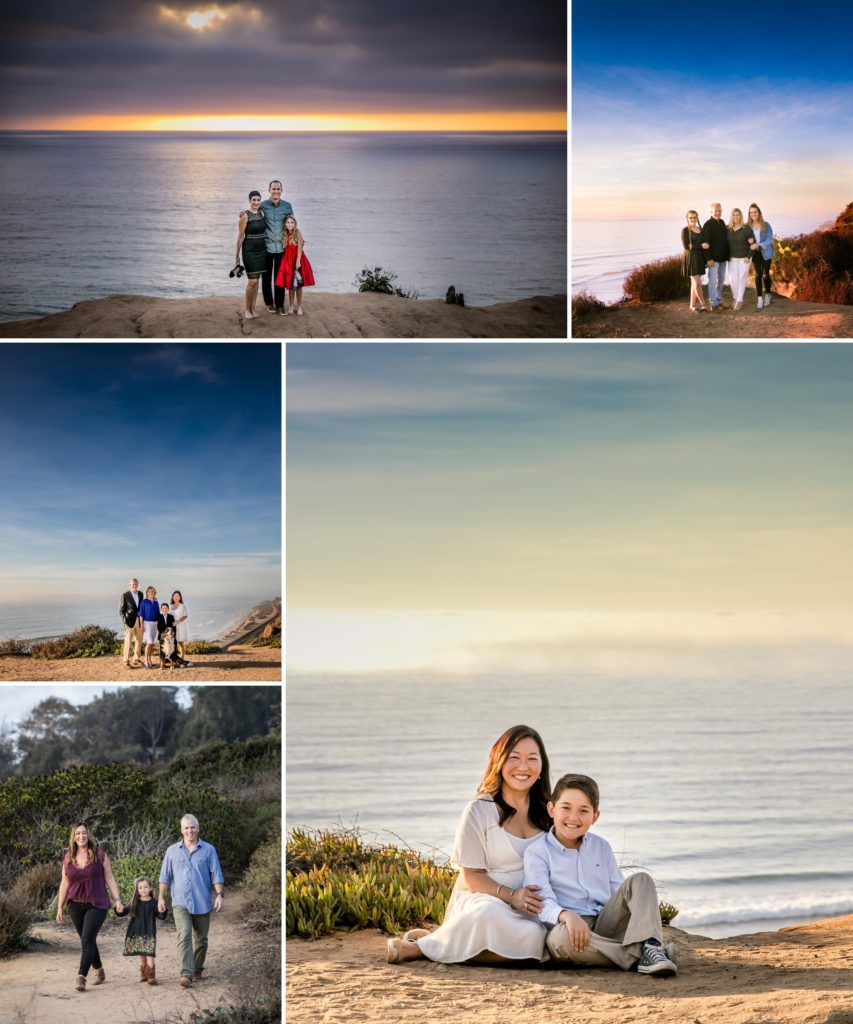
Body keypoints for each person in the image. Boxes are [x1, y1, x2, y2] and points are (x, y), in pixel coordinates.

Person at [387, 725, 551, 965]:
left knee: (536, 935)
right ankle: (422, 948)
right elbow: (471, 877)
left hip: (532, 902)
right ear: (499, 761)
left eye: (532, 759)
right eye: (514, 758)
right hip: (486, 897)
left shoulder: (549, 810)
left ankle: (445, 940)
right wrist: (513, 896)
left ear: (542, 766)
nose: (523, 767)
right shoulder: (479, 809)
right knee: (488, 915)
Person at [523, 773, 677, 976]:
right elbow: (542, 903)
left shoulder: (601, 846)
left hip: (606, 921)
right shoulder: (537, 852)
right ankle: (641, 956)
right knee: (557, 941)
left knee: (641, 880)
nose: (573, 817)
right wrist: (566, 915)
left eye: (583, 810)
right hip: (569, 927)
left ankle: (651, 946)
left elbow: (618, 890)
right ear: (551, 809)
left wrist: (632, 916)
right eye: (566, 808)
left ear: (594, 817)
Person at [56, 822, 124, 992]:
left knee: (86, 939)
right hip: (75, 905)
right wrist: (59, 907)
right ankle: (99, 970)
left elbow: (109, 877)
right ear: (74, 837)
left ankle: (81, 976)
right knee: (88, 940)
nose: (81, 836)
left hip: (97, 903)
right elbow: (64, 883)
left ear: (89, 835)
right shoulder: (68, 857)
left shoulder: (99, 854)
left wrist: (117, 900)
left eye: (84, 833)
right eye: (78, 833)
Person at [158, 814, 225, 988]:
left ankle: (197, 968)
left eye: (192, 827)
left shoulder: (209, 850)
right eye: (186, 828)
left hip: (202, 901)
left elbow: (216, 874)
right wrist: (161, 897)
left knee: (201, 939)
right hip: (180, 902)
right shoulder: (172, 851)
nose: (190, 831)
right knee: (185, 934)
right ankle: (186, 973)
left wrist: (219, 894)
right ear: (181, 830)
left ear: (198, 828)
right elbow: (165, 876)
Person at [114, 876, 167, 985]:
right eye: (140, 888)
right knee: (141, 953)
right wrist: (118, 909)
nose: (143, 890)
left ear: (151, 888)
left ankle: (151, 976)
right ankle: (143, 973)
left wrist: (162, 910)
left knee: (149, 953)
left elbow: (160, 916)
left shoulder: (154, 902)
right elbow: (123, 912)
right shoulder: (135, 902)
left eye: (146, 887)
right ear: (137, 890)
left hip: (149, 931)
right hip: (136, 931)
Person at [260, 179, 294, 314]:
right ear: (269, 190)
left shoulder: (287, 206)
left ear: (281, 190)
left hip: (282, 248)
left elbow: (292, 224)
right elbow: (253, 213)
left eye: (278, 189)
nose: (276, 191)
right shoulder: (263, 205)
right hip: (266, 247)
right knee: (266, 277)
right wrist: (244, 214)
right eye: (273, 189)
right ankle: (269, 303)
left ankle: (280, 304)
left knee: (280, 277)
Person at [234, 190, 267, 319]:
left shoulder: (261, 213)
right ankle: (247, 309)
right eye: (254, 200)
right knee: (252, 281)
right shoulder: (245, 216)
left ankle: (253, 308)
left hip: (262, 249)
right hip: (249, 250)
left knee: (257, 280)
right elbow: (241, 236)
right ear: (249, 200)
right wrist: (237, 256)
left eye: (258, 200)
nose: (256, 202)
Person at [274, 214, 315, 316]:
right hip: (288, 261)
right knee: (290, 286)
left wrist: (298, 261)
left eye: (292, 222)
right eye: (288, 222)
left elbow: (300, 247)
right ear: (285, 224)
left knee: (299, 285)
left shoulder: (297, 232)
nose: (290, 224)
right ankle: (291, 305)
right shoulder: (284, 234)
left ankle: (299, 306)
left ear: (295, 224)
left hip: (298, 260)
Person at [702, 202, 730, 310]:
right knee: (712, 282)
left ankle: (718, 301)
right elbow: (705, 244)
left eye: (719, 211)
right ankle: (713, 303)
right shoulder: (708, 225)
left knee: (721, 281)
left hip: (723, 259)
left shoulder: (722, 222)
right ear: (711, 212)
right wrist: (708, 259)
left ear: (721, 211)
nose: (718, 212)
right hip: (713, 260)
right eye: (715, 211)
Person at [681, 211, 710, 312]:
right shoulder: (685, 231)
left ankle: (692, 305)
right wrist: (701, 246)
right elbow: (686, 247)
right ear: (687, 219)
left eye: (695, 217)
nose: (693, 219)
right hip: (691, 259)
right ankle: (703, 304)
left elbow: (697, 245)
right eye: (691, 218)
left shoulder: (700, 229)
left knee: (695, 283)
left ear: (697, 218)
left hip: (699, 258)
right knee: (697, 283)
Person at [727, 209, 755, 311]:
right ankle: (735, 298)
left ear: (741, 216)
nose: (736, 217)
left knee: (742, 279)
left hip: (744, 259)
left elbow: (753, 244)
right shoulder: (728, 229)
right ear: (731, 216)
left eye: (737, 215)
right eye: (734, 215)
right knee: (732, 280)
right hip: (731, 259)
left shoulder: (746, 229)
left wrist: (748, 256)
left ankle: (739, 301)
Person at [748, 203, 774, 309]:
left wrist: (760, 245)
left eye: (755, 212)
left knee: (765, 274)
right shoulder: (748, 226)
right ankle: (760, 298)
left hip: (766, 251)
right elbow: (745, 238)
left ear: (759, 213)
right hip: (755, 254)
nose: (753, 214)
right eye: (751, 212)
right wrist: (749, 242)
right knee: (758, 274)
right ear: (749, 214)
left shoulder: (766, 225)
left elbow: (769, 238)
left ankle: (767, 294)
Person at [119, 577, 143, 668]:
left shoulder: (141, 594)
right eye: (133, 584)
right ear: (130, 585)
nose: (134, 585)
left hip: (140, 621)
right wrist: (124, 620)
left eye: (136, 584)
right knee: (128, 641)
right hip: (129, 621)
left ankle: (136, 658)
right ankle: (126, 660)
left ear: (138, 585)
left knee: (139, 640)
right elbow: (121, 610)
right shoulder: (125, 595)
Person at [139, 586, 160, 670]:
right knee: (149, 642)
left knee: (152, 644)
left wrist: (159, 624)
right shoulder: (144, 602)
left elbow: (158, 614)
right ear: (147, 592)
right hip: (147, 623)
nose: (151, 592)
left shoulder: (156, 602)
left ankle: (150, 660)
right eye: (149, 591)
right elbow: (141, 614)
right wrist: (141, 625)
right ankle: (145, 661)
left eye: (152, 591)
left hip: (155, 624)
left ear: (154, 592)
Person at [170, 590, 192, 666]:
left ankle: (182, 657)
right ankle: (175, 657)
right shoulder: (170, 606)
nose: (176, 597)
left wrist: (178, 621)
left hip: (180, 626)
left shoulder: (182, 606)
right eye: (174, 596)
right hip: (173, 627)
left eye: (177, 596)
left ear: (180, 597)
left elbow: (185, 616)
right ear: (172, 597)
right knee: (173, 642)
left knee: (180, 642)